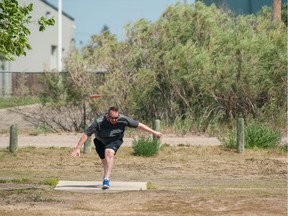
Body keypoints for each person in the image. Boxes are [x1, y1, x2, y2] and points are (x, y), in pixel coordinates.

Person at [70, 106, 162, 189]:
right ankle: (107, 175)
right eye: (112, 118)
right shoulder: (99, 121)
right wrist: (77, 148)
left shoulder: (123, 119)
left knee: (109, 152)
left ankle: (106, 179)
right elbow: (86, 134)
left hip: (115, 140)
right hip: (100, 141)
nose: (114, 120)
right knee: (105, 162)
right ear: (107, 116)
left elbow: (139, 125)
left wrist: (154, 132)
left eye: (116, 118)